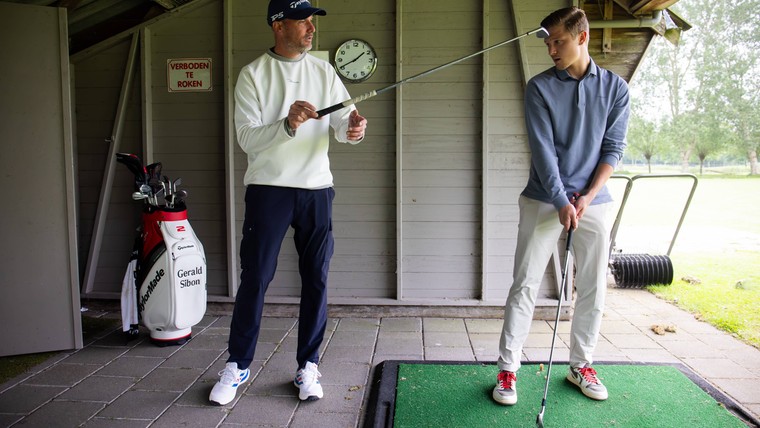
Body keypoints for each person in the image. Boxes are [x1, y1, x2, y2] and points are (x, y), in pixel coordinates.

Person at [209, 0, 367, 406]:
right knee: (256, 278)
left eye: (313, 21)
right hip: (269, 190)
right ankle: (238, 365)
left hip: (317, 190)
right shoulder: (253, 75)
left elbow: (343, 124)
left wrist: (354, 129)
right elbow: (247, 138)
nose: (311, 29)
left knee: (316, 277)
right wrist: (287, 124)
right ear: (279, 26)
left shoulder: (323, 70)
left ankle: (308, 366)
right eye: (303, 21)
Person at [492, 6, 629, 405]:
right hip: (543, 199)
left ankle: (580, 365)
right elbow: (543, 151)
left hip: (594, 202)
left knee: (591, 288)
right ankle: (507, 370)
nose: (551, 49)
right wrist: (561, 199)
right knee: (525, 284)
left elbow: (613, 149)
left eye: (559, 41)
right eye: (548, 42)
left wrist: (586, 197)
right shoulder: (539, 87)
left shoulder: (616, 89)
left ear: (582, 38)